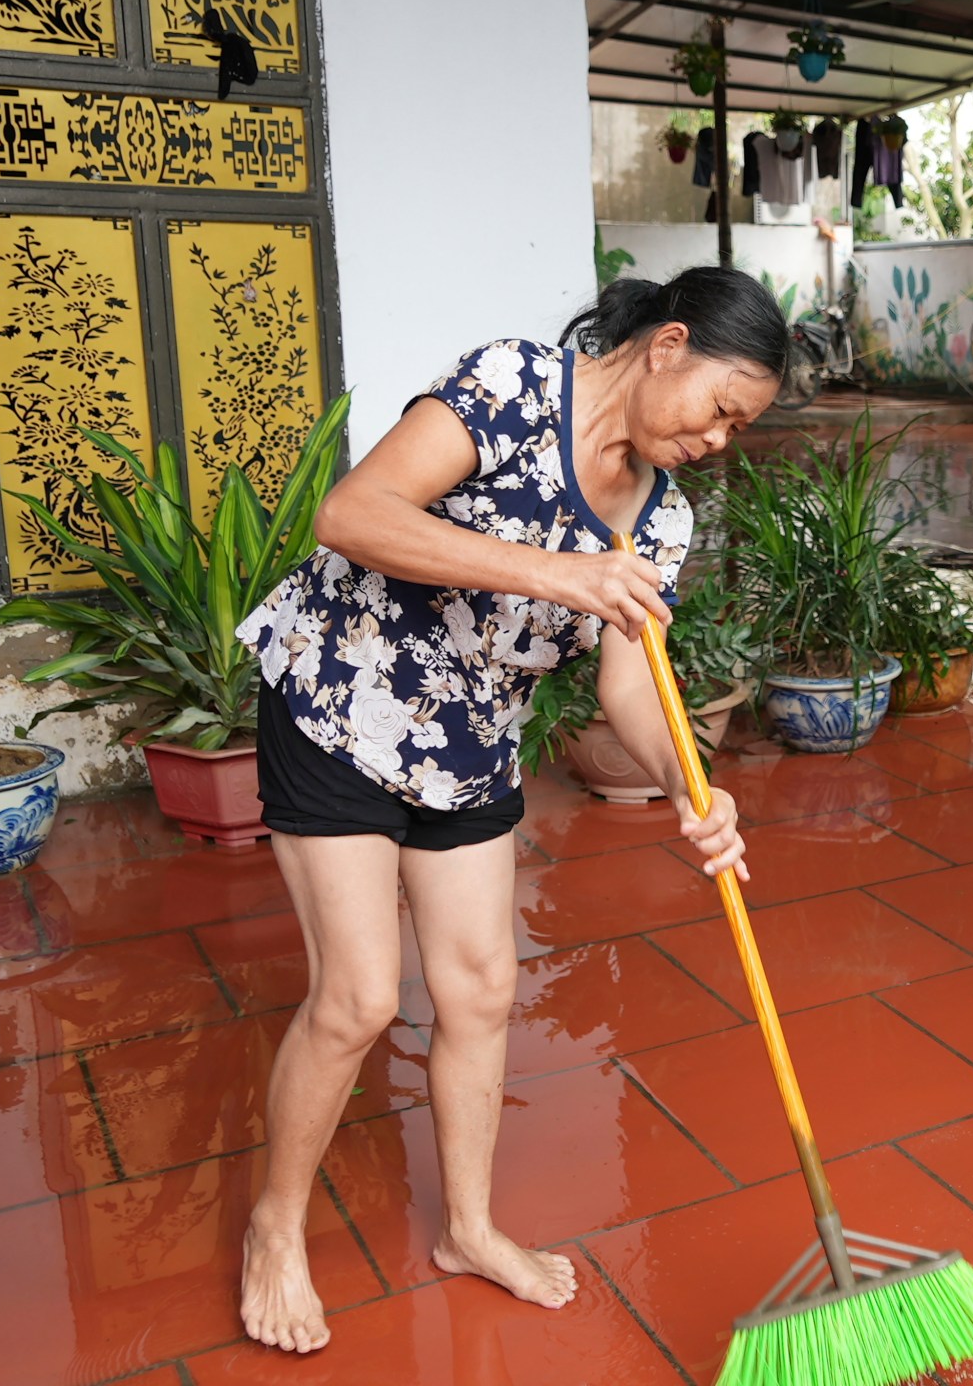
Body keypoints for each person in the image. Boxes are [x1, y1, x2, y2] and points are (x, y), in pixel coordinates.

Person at [229, 267, 788, 1353]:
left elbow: (630, 681)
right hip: (344, 697)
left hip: (471, 738)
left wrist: (689, 786)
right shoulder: (509, 385)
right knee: (353, 1000)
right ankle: (273, 1228)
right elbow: (352, 514)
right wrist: (554, 575)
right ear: (667, 344)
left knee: (481, 991)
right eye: (721, 410)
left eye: (739, 429)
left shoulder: (659, 517)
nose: (719, 440)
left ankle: (471, 1229)